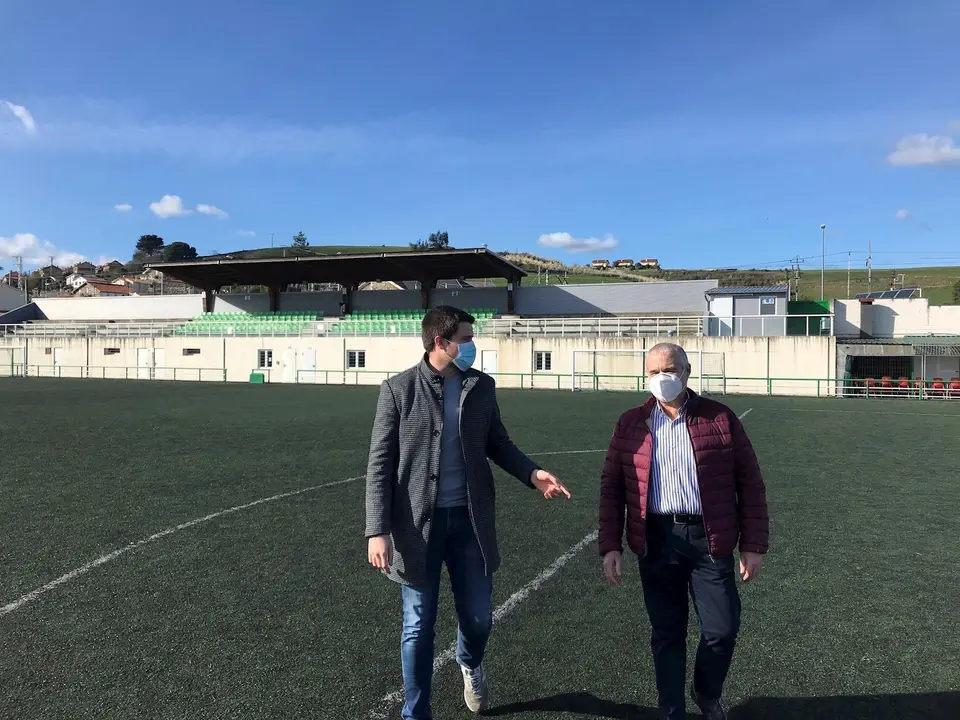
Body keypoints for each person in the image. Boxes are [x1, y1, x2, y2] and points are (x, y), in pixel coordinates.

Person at [365, 305, 571, 720]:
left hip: (470, 523)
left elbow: (498, 442)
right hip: (416, 528)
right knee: (417, 627)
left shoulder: (482, 386)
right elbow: (379, 463)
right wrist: (377, 529)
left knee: (478, 618)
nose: (472, 345)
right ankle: (415, 713)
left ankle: (469, 662)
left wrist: (532, 473)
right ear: (441, 342)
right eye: (466, 337)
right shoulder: (397, 390)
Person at [599, 342, 769, 720]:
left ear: (687, 372)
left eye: (670, 370)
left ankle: (706, 692)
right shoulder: (630, 423)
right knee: (667, 633)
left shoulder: (720, 418)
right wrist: (610, 544)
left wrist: (753, 544)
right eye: (654, 372)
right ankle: (672, 710)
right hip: (656, 539)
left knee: (722, 629)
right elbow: (612, 485)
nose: (663, 378)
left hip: (709, 539)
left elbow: (750, 481)